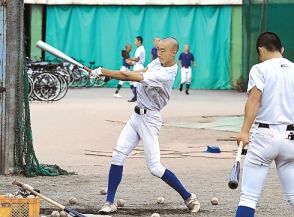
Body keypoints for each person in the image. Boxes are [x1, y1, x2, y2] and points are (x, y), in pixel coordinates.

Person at [91, 37, 200, 215]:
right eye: (158, 49)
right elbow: (142, 70)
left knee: (155, 168)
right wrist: (107, 74)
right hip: (136, 116)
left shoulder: (167, 73)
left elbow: (131, 75)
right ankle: (109, 202)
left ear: (174, 52)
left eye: (163, 50)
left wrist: (104, 71)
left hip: (150, 120)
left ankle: (189, 197)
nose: (159, 53)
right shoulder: (158, 61)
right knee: (118, 155)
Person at [235, 32, 294, 217]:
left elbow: (254, 99)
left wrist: (244, 132)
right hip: (291, 139)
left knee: (248, 198)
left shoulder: (259, 69)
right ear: (281, 49)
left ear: (260, 50)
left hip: (264, 138)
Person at [127, 36, 146, 102]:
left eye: (135, 41)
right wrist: (131, 63)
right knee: (133, 82)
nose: (135, 42)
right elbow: (136, 60)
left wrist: (129, 59)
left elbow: (137, 59)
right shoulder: (141, 48)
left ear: (139, 41)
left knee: (135, 83)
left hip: (138, 67)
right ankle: (136, 96)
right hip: (138, 66)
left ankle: (137, 97)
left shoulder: (139, 49)